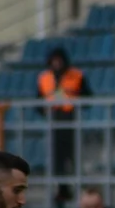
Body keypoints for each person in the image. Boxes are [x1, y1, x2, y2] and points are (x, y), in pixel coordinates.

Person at [36, 47, 91, 176]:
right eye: (54, 61)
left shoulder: (77, 76)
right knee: (56, 158)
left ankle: (77, 185)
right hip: (53, 120)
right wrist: (43, 110)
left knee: (74, 155)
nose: (57, 64)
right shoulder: (44, 78)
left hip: (72, 119)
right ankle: (61, 190)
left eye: (59, 60)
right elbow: (38, 101)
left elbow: (87, 97)